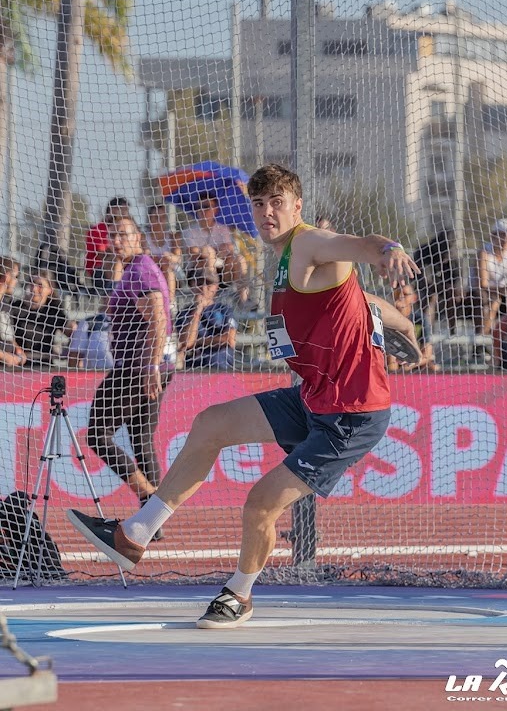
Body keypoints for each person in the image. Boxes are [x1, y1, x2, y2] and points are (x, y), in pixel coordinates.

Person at [67, 163, 419, 629]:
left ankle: (239, 594)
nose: (267, 211)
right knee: (210, 423)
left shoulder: (309, 244)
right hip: (313, 398)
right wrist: (406, 326)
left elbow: (360, 245)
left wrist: (389, 249)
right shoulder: (285, 262)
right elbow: (368, 303)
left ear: (297, 206)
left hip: (351, 416)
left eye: (277, 202)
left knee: (260, 504)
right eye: (259, 203)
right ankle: (134, 534)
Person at [85, 215, 174, 507]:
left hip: (137, 367)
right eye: (113, 236)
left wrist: (151, 367)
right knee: (141, 438)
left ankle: (151, 499)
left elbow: (158, 319)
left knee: (98, 435)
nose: (116, 241)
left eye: (123, 234)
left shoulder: (140, 271)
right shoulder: (133, 269)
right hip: (149, 365)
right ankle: (153, 521)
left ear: (138, 237)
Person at [471, 219, 507, 336]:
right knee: (494, 301)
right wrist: (504, 290)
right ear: (493, 236)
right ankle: (482, 339)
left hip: (504, 292)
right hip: (483, 293)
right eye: (502, 234)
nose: (506, 239)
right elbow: (483, 284)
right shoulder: (484, 253)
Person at [176, 267, 237, 370]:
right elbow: (187, 342)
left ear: (216, 286)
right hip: (194, 369)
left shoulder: (224, 310)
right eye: (200, 283)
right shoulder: (184, 313)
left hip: (221, 368)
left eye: (208, 284)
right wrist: (197, 310)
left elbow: (229, 339)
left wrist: (198, 342)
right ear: (192, 286)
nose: (204, 288)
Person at [11, 269, 75, 367]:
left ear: (50, 290)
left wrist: (67, 350)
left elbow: (72, 332)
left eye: (40, 285)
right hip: (18, 366)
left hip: (44, 366)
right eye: (32, 284)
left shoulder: (53, 311)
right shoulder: (15, 308)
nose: (34, 289)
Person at [182, 195, 247, 286]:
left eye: (206, 206)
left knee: (239, 259)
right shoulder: (189, 230)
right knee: (208, 252)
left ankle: (243, 293)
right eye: (198, 207)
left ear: (215, 209)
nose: (202, 210)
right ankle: (211, 281)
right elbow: (193, 254)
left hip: (222, 269)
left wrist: (210, 253)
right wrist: (213, 252)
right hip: (197, 271)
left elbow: (228, 249)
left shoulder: (222, 228)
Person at [85, 197, 131, 290]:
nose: (126, 214)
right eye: (123, 210)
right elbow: (101, 254)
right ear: (113, 210)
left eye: (126, 211)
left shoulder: (125, 229)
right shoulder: (97, 230)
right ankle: (114, 292)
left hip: (124, 268)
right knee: (115, 260)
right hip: (99, 271)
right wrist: (119, 250)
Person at [144, 204, 182, 305]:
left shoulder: (173, 236)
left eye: (162, 217)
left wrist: (167, 257)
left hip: (172, 272)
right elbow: (144, 257)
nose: (159, 221)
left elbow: (178, 258)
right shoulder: (144, 237)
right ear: (150, 219)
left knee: (167, 266)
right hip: (151, 271)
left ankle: (170, 302)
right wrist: (159, 259)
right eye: (156, 217)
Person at [0, 257, 27, 369]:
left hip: (8, 370)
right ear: (7, 276)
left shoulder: (5, 304)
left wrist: (17, 348)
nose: (16, 281)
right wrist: (5, 356)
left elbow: (7, 334)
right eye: (15, 277)